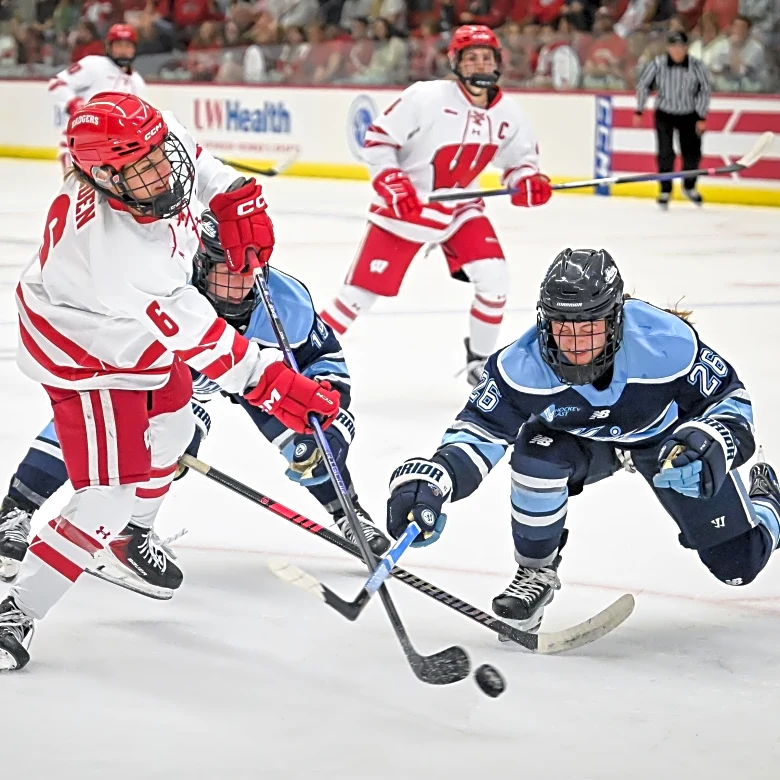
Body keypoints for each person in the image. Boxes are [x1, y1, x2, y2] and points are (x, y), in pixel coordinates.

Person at [0, 91, 342, 672]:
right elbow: (208, 344)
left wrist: (236, 196)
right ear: (103, 176)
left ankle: (132, 538)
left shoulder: (148, 141)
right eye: (143, 168)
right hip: (88, 352)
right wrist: (276, 385)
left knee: (176, 430)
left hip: (133, 331)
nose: (164, 171)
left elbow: (199, 162)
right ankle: (17, 610)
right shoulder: (122, 256)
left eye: (160, 154)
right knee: (106, 495)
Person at [386, 248, 780, 634]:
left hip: (667, 446)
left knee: (738, 565)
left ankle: (769, 503)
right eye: (563, 328)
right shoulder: (521, 365)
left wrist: (712, 441)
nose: (574, 345)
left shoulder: (665, 341)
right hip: (583, 443)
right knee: (537, 455)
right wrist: (439, 477)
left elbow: (730, 398)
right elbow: (480, 429)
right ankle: (536, 572)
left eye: (589, 328)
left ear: (615, 322)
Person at [0, 210, 389, 587]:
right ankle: (17, 509)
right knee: (99, 415)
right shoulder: (166, 286)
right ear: (202, 264)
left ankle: (349, 514)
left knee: (308, 435)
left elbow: (321, 358)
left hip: (234, 377)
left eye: (248, 275)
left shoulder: (287, 302)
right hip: (154, 377)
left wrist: (330, 410)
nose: (239, 288)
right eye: (226, 273)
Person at [319, 24, 552, 386]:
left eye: (486, 57)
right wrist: (391, 179)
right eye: (471, 57)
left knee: (495, 279)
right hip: (405, 212)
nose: (479, 64)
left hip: (461, 212)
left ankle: (480, 362)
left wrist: (526, 182)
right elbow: (379, 139)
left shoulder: (510, 113)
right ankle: (300, 355)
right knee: (357, 298)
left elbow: (520, 161)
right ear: (455, 62)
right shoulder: (426, 97)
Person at [48, 24, 146, 174]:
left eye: (128, 46)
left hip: (114, 154)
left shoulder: (137, 82)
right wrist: (73, 103)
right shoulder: (94, 65)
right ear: (109, 46)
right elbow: (57, 83)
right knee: (75, 191)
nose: (123, 50)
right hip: (79, 144)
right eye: (119, 45)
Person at [633, 30, 711, 210]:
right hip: (665, 114)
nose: (677, 50)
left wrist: (701, 116)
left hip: (689, 114)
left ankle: (689, 186)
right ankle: (665, 189)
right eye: (674, 46)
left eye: (681, 46)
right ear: (668, 48)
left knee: (692, 155)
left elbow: (704, 91)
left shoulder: (697, 66)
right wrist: (639, 109)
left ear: (686, 48)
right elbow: (644, 85)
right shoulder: (657, 64)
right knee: (665, 154)